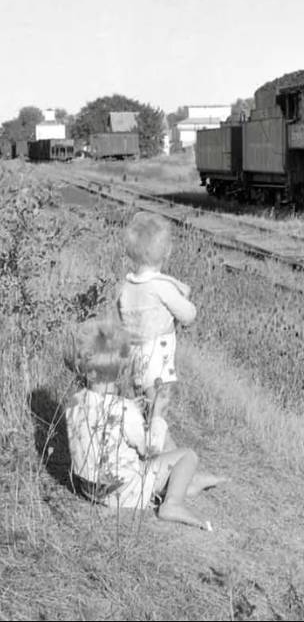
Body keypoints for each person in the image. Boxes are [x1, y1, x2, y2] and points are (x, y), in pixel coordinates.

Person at [64, 321, 225, 528]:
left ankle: (186, 484)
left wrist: (131, 410)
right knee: (187, 455)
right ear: (121, 370)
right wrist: (156, 417)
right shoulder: (124, 409)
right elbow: (150, 449)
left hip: (87, 487)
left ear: (85, 368)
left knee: (155, 458)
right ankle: (173, 503)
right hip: (123, 492)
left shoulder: (74, 401)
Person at [117, 212, 196, 453]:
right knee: (159, 408)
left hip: (133, 357)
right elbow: (188, 315)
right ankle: (154, 455)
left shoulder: (125, 287)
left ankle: (151, 447)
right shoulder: (162, 286)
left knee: (145, 406)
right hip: (157, 360)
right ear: (167, 252)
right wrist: (185, 297)